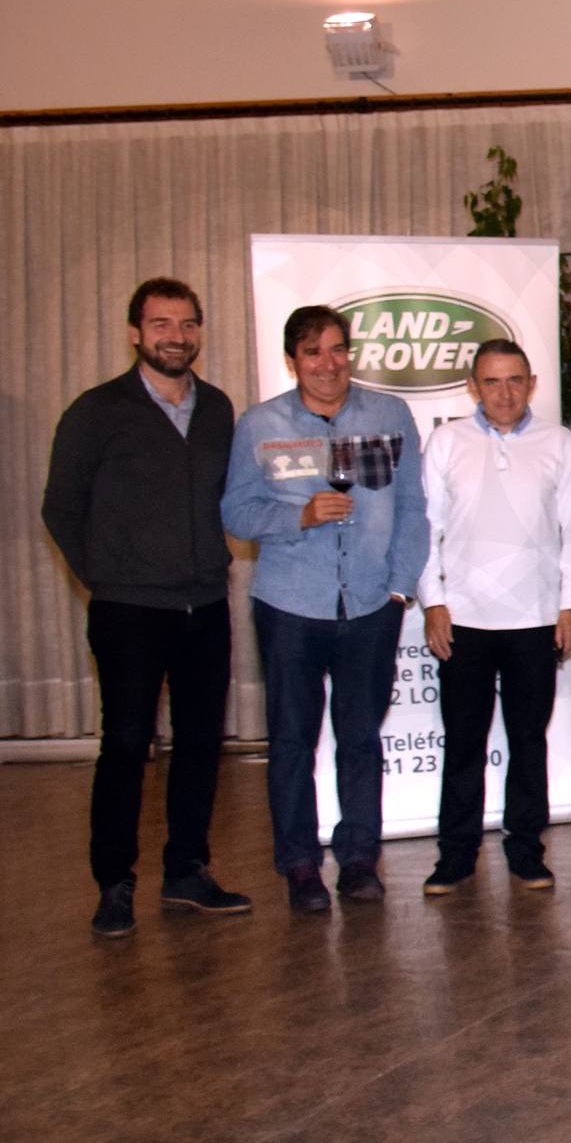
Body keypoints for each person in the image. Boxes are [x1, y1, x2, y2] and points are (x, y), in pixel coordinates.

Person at [44, 278, 250, 935]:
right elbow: (62, 507)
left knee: (199, 743)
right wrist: (106, 576)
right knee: (128, 744)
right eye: (161, 324)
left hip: (205, 606)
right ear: (136, 333)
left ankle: (187, 871)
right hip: (127, 609)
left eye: (187, 324)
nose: (176, 336)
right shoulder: (96, 410)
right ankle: (115, 882)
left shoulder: (218, 408)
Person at [220, 304, 429, 914]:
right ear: (292, 360)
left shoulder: (389, 415)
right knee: (291, 739)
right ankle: (300, 865)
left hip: (370, 604)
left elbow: (413, 508)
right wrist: (297, 516)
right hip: (289, 605)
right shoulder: (259, 425)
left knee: (360, 738)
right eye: (313, 352)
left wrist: (398, 590)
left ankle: (360, 859)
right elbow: (236, 512)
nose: (328, 364)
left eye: (338, 349)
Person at [417, 340, 571, 897]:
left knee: (528, 741)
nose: (504, 392)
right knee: (464, 741)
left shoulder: (558, 443)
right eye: (491, 382)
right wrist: (433, 602)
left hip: (535, 619)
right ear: (473, 387)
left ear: (532, 383)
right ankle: (456, 854)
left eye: (515, 380)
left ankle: (525, 849)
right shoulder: (446, 443)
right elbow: (427, 530)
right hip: (463, 619)